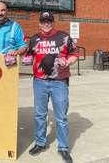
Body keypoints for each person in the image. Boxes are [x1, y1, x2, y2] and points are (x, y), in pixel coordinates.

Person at [26, 11, 79, 163]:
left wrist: (68, 62)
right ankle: (40, 143)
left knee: (61, 117)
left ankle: (63, 148)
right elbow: (29, 56)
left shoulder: (63, 37)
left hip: (59, 82)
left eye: (49, 21)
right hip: (39, 82)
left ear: (53, 22)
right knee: (39, 115)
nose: (46, 24)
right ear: (39, 23)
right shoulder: (35, 39)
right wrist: (27, 59)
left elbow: (75, 54)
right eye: (43, 21)